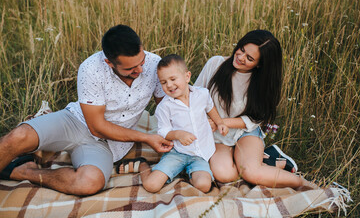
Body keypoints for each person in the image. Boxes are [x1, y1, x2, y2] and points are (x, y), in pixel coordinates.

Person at [0, 24, 173, 195]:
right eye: (130, 68)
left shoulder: (154, 64)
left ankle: (24, 171)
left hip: (107, 145)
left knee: (89, 183)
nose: (140, 69)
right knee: (18, 136)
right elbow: (96, 127)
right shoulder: (91, 68)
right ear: (109, 62)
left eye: (141, 61)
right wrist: (147, 138)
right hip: (75, 121)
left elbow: (166, 106)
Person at [194, 30, 313, 189]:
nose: (241, 57)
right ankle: (266, 158)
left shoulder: (262, 83)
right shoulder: (215, 64)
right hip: (216, 134)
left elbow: (256, 118)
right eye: (242, 50)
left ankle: (305, 184)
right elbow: (195, 97)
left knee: (251, 173)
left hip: (244, 131)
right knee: (224, 174)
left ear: (260, 64)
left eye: (249, 58)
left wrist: (220, 122)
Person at [139, 54, 229, 193]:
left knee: (204, 185)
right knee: (151, 185)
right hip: (177, 153)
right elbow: (163, 131)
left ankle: (189, 173)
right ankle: (142, 165)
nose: (169, 85)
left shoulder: (202, 94)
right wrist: (178, 134)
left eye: (173, 79)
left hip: (200, 154)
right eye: (163, 82)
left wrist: (219, 122)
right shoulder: (164, 106)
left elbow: (210, 107)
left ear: (187, 77)